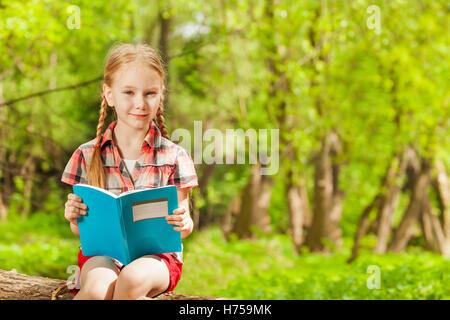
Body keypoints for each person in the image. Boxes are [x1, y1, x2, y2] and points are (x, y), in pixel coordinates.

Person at [61, 43, 198, 300]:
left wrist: (184, 222)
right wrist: (73, 218)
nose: (140, 103)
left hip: (158, 258)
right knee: (95, 289)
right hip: (102, 254)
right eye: (128, 92)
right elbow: (81, 231)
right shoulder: (87, 154)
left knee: (132, 279)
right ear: (109, 94)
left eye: (149, 93)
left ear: (161, 96)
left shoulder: (175, 156)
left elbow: (184, 226)